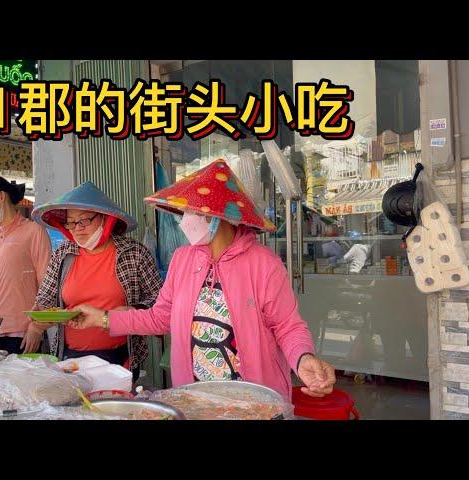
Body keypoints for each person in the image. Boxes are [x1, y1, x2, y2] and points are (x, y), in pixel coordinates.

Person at [71, 160, 336, 399]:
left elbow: (288, 327)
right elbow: (160, 317)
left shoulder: (264, 264)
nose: (183, 221)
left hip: (254, 400)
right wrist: (101, 318)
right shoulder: (182, 260)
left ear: (216, 217)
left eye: (189, 212)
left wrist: (303, 358)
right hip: (196, 399)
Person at [24, 181, 162, 380]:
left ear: (106, 218)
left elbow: (158, 302)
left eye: (84, 221)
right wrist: (40, 318)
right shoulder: (63, 254)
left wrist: (124, 313)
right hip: (71, 358)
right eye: (70, 223)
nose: (77, 229)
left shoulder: (134, 253)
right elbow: (46, 297)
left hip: (121, 357)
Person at [0, 176, 52, 355]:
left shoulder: (34, 232)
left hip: (21, 334)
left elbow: (48, 285)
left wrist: (37, 326)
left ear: (1, 197)